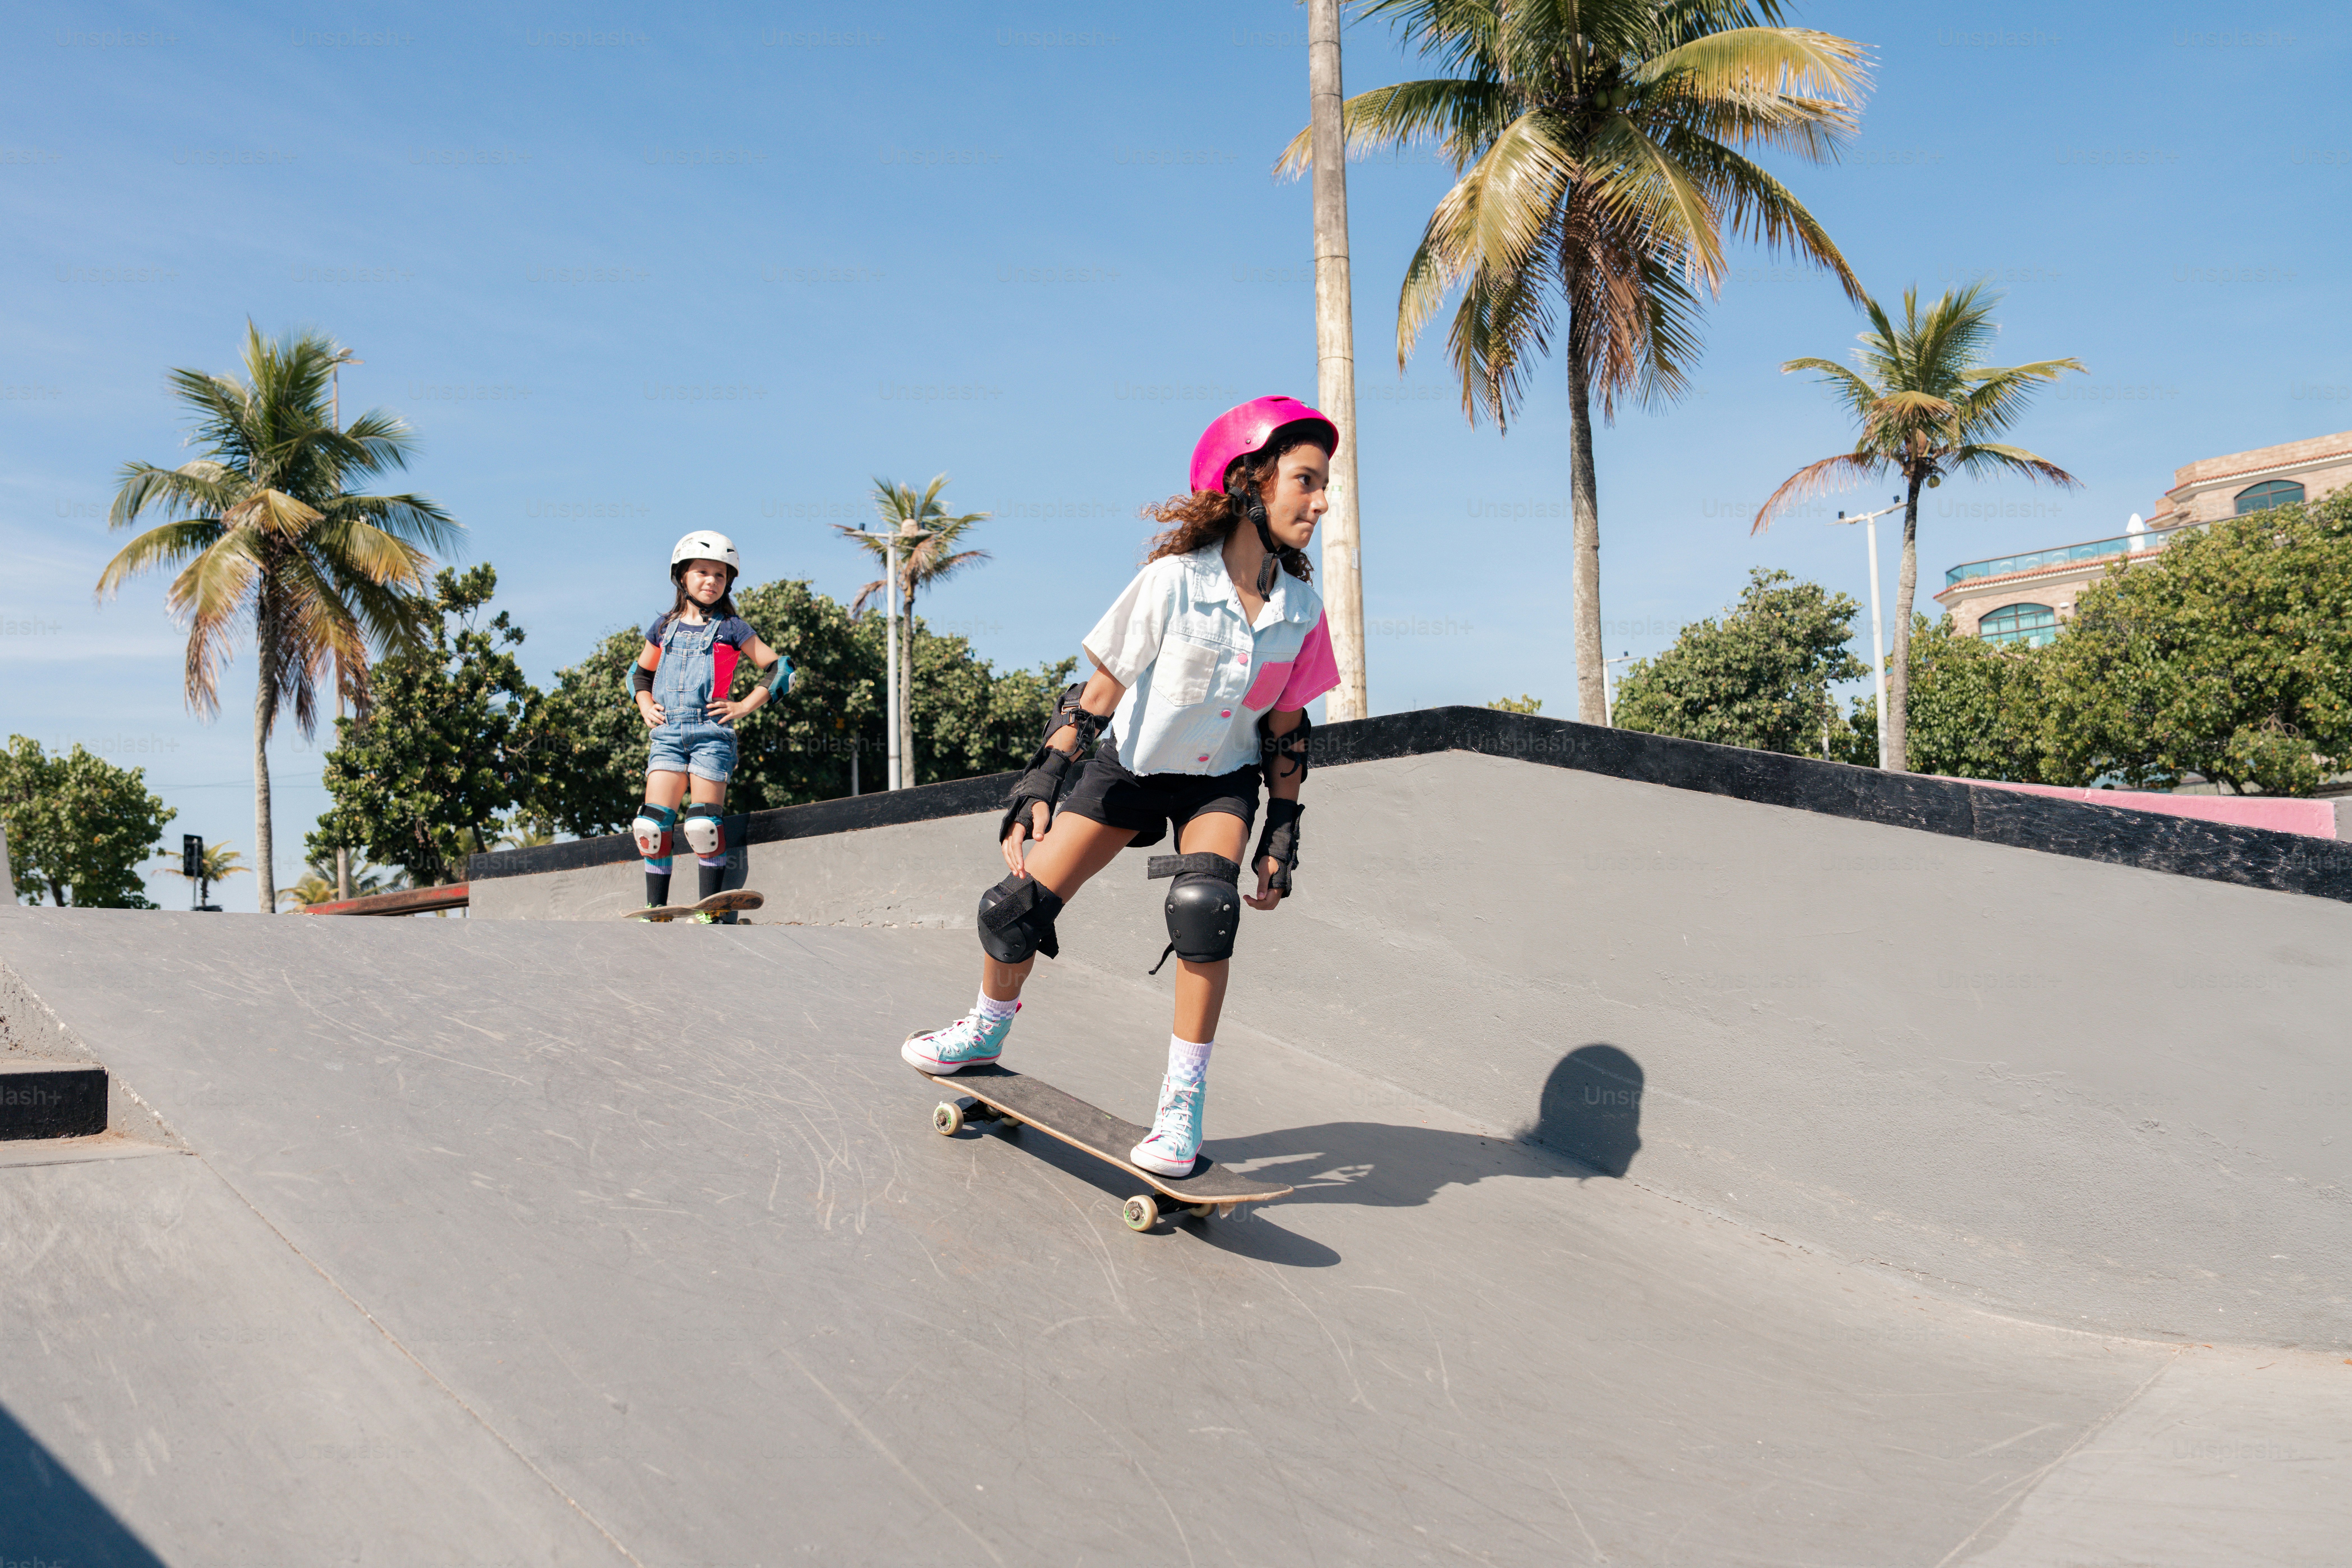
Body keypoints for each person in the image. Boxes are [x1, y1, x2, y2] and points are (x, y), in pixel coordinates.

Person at [902, 397, 1340, 1176]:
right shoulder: (1171, 583)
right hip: (1128, 769)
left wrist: (1282, 830)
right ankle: (985, 1026)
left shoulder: (1302, 611)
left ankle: (1180, 1109)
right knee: (1012, 909)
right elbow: (1099, 692)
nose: (1321, 500)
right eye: (1305, 481)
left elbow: (1286, 728)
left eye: (1323, 483)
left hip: (1220, 783)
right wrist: (1044, 780)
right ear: (1249, 483)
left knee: (1205, 906)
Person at [629, 532, 791, 921]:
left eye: (720, 575)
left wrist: (744, 706)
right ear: (682, 577)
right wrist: (645, 704)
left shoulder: (733, 628)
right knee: (652, 826)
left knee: (703, 825)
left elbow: (781, 669)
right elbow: (639, 672)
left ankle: (711, 908)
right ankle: (658, 908)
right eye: (702, 572)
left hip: (710, 734)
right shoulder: (663, 627)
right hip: (667, 734)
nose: (711, 581)